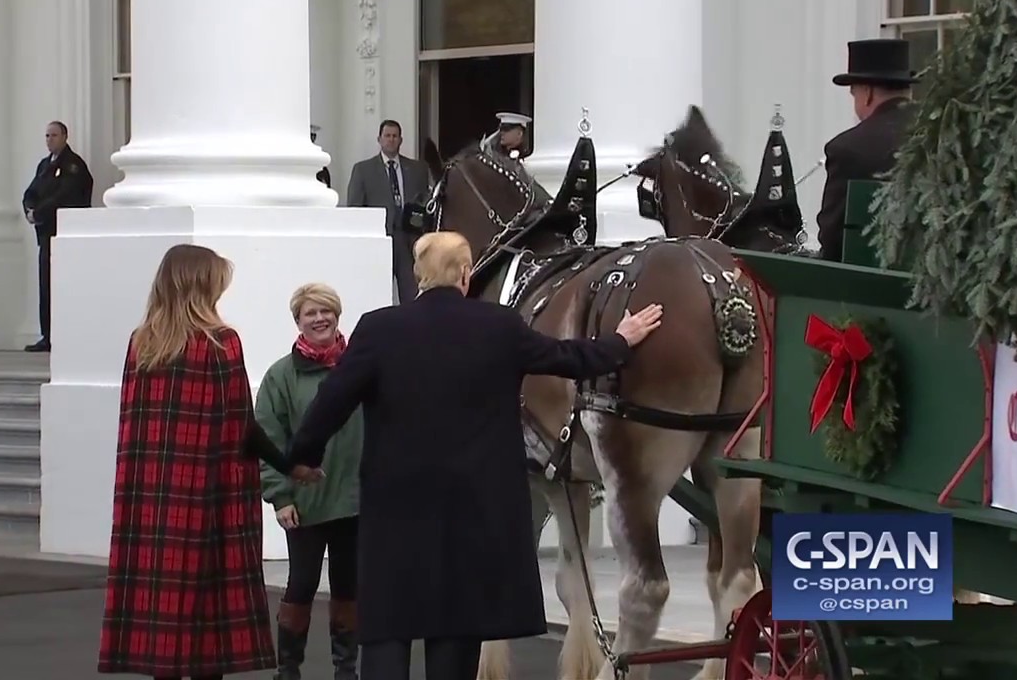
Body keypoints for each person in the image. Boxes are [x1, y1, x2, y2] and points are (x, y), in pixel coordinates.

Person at [283, 231, 664, 680]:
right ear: (466, 275)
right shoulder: (498, 326)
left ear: (419, 277)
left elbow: (332, 400)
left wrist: (303, 456)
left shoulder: (379, 328)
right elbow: (567, 358)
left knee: (388, 626)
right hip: (473, 510)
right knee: (455, 629)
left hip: (397, 508)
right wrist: (620, 341)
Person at [98, 244, 321, 680]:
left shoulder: (140, 343)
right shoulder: (221, 343)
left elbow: (137, 425)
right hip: (207, 500)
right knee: (207, 620)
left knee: (162, 613)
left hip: (153, 501)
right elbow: (243, 426)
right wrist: (289, 465)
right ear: (201, 285)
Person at [256, 283, 364, 680]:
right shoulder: (280, 377)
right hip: (304, 503)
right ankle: (288, 670)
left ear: (338, 315)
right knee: (301, 585)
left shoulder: (360, 368)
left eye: (326, 311)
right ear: (297, 322)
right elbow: (268, 438)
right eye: (310, 313)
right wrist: (280, 496)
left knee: (348, 586)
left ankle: (346, 670)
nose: (320, 318)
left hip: (355, 500)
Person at [816, 38, 917, 262]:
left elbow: (832, 240)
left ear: (867, 93)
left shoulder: (848, 149)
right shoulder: (942, 133)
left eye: (854, 94)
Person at [22, 120, 94, 353]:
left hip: (62, 233)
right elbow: (31, 191)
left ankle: (63, 334)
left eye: (53, 135)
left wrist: (40, 213)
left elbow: (65, 195)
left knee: (61, 284)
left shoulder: (73, 166)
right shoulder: (44, 165)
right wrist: (29, 210)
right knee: (46, 285)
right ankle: (48, 334)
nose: (49, 140)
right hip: (45, 235)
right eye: (46, 135)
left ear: (65, 136)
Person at [346, 119, 431, 303]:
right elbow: (355, 207)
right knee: (375, 292)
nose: (391, 140)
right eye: (387, 136)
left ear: (401, 140)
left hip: (408, 241)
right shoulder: (363, 170)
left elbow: (425, 204)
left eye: (395, 136)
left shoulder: (418, 169)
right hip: (379, 238)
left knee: (411, 293)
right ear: (379, 139)